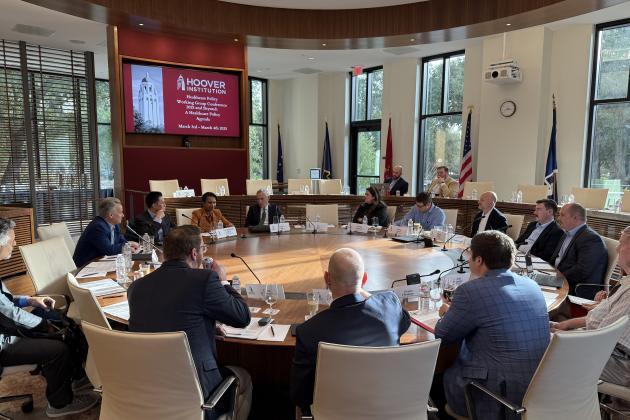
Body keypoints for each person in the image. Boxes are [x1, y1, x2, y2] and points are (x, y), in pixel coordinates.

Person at [128, 225, 252, 420]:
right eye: (203, 249)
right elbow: (242, 317)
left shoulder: (136, 287)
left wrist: (207, 326)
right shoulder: (204, 280)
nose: (204, 253)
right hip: (198, 394)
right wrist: (223, 281)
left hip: (148, 387)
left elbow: (170, 314)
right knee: (243, 377)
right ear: (194, 253)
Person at [434, 231, 550, 419]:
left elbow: (443, 335)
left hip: (495, 396)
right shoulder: (532, 286)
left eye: (469, 255)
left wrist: (446, 313)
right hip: (538, 390)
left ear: (479, 260)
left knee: (435, 380)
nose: (468, 259)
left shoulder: (470, 292)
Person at [0, 218, 100, 417]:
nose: (15, 243)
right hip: (3, 341)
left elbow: (6, 301)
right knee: (58, 347)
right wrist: (43, 325)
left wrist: (30, 300)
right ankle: (60, 404)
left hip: (5, 327)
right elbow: (8, 315)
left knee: (59, 321)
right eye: (12, 240)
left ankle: (75, 377)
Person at [290, 248, 410, 412]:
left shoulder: (309, 331)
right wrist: (362, 292)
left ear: (327, 279)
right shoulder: (389, 306)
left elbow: (300, 396)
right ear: (365, 279)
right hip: (388, 409)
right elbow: (405, 322)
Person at [551, 226, 630, 410]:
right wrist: (566, 325)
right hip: (606, 348)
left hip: (620, 363)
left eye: (622, 243)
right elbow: (600, 321)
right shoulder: (626, 281)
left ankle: (559, 409)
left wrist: (563, 337)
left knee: (546, 349)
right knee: (547, 331)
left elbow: (603, 336)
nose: (617, 249)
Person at [550, 202, 608, 298]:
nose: (558, 218)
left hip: (575, 287)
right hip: (560, 278)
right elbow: (556, 258)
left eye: (562, 215)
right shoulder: (567, 233)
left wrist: (555, 279)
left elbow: (582, 271)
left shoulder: (591, 239)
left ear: (575, 218)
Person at [73, 197, 139, 267]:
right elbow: (109, 250)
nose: (123, 215)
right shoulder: (98, 227)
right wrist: (128, 244)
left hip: (101, 262)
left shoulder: (115, 225)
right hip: (85, 267)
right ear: (111, 215)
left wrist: (131, 247)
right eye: (120, 212)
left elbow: (122, 241)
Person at [514, 198, 564, 263]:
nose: (534, 212)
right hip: (518, 256)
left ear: (550, 212)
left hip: (533, 261)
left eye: (538, 209)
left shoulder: (557, 231)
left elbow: (545, 255)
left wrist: (521, 248)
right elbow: (518, 241)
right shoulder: (532, 225)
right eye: (535, 209)